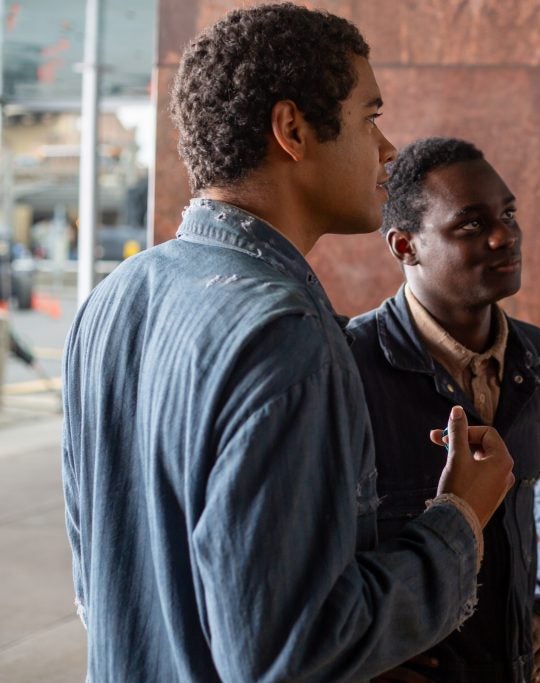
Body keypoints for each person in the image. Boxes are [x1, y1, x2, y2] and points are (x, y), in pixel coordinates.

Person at [60, 5, 514, 681]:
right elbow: (290, 653)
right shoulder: (286, 336)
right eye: (369, 117)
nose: (388, 149)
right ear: (293, 130)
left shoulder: (116, 296)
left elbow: (101, 588)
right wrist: (459, 519)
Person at [347, 137, 540, 683]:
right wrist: (353, 659)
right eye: (470, 224)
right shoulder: (349, 369)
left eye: (508, 213)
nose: (504, 235)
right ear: (405, 247)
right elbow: (302, 550)